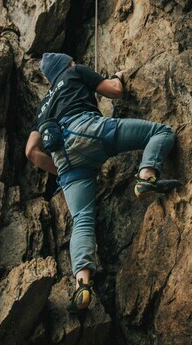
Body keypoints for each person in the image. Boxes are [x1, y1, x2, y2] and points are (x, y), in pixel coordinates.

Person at [25, 52, 180, 313]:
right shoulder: (75, 72)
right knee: (161, 132)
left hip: (65, 159)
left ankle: (82, 284)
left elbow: (31, 151)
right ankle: (146, 177)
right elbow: (115, 91)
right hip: (87, 131)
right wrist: (116, 78)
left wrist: (61, 171)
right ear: (68, 63)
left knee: (82, 220)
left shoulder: (42, 107)